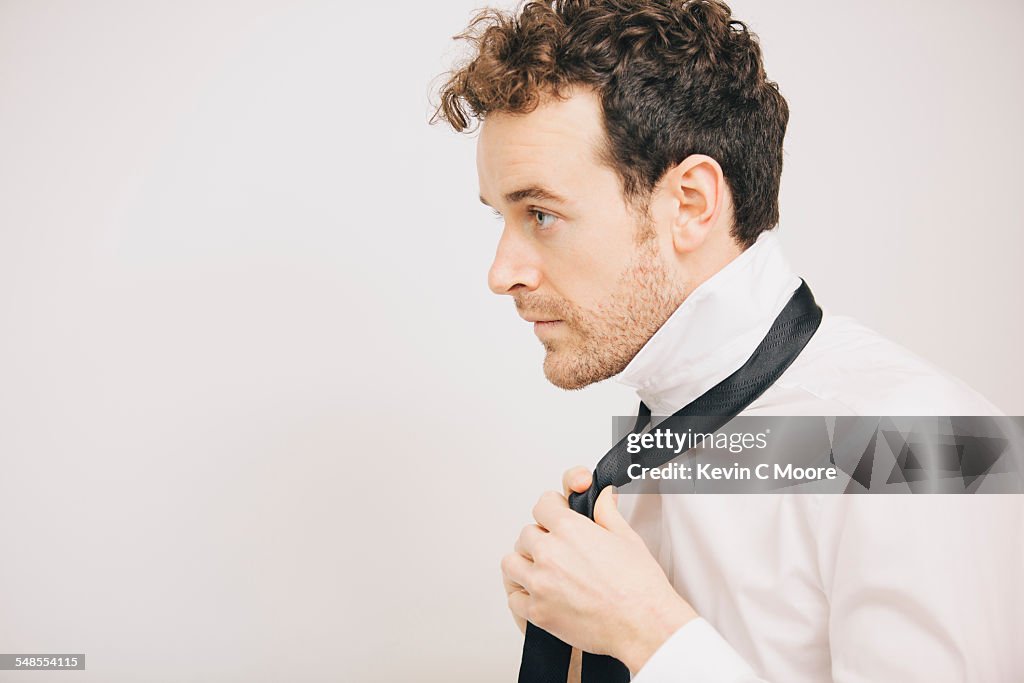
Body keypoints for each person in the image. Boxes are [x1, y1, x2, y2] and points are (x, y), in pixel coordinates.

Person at [432, 1, 1021, 681]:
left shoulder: (931, 441)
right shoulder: (653, 443)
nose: (501, 274)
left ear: (689, 203)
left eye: (540, 213)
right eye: (502, 217)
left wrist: (647, 634)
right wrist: (584, 642)